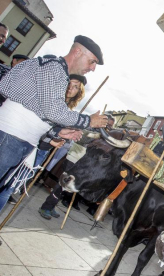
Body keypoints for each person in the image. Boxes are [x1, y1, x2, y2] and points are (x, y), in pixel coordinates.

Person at [0, 35, 108, 213]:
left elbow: (39, 108)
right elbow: (54, 111)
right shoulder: (54, 68)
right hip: (10, 136)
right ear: (78, 51)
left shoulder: (54, 69)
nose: (93, 68)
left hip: (18, 139)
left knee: (4, 189)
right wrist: (90, 121)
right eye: (92, 61)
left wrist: (57, 131)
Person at [6, 75, 86, 208]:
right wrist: (52, 139)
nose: (70, 88)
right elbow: (39, 124)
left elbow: (59, 133)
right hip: (29, 143)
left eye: (76, 87)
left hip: (43, 149)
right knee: (10, 172)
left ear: (79, 92)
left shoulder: (68, 112)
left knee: (22, 177)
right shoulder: (52, 101)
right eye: (69, 84)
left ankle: (8, 192)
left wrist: (66, 136)